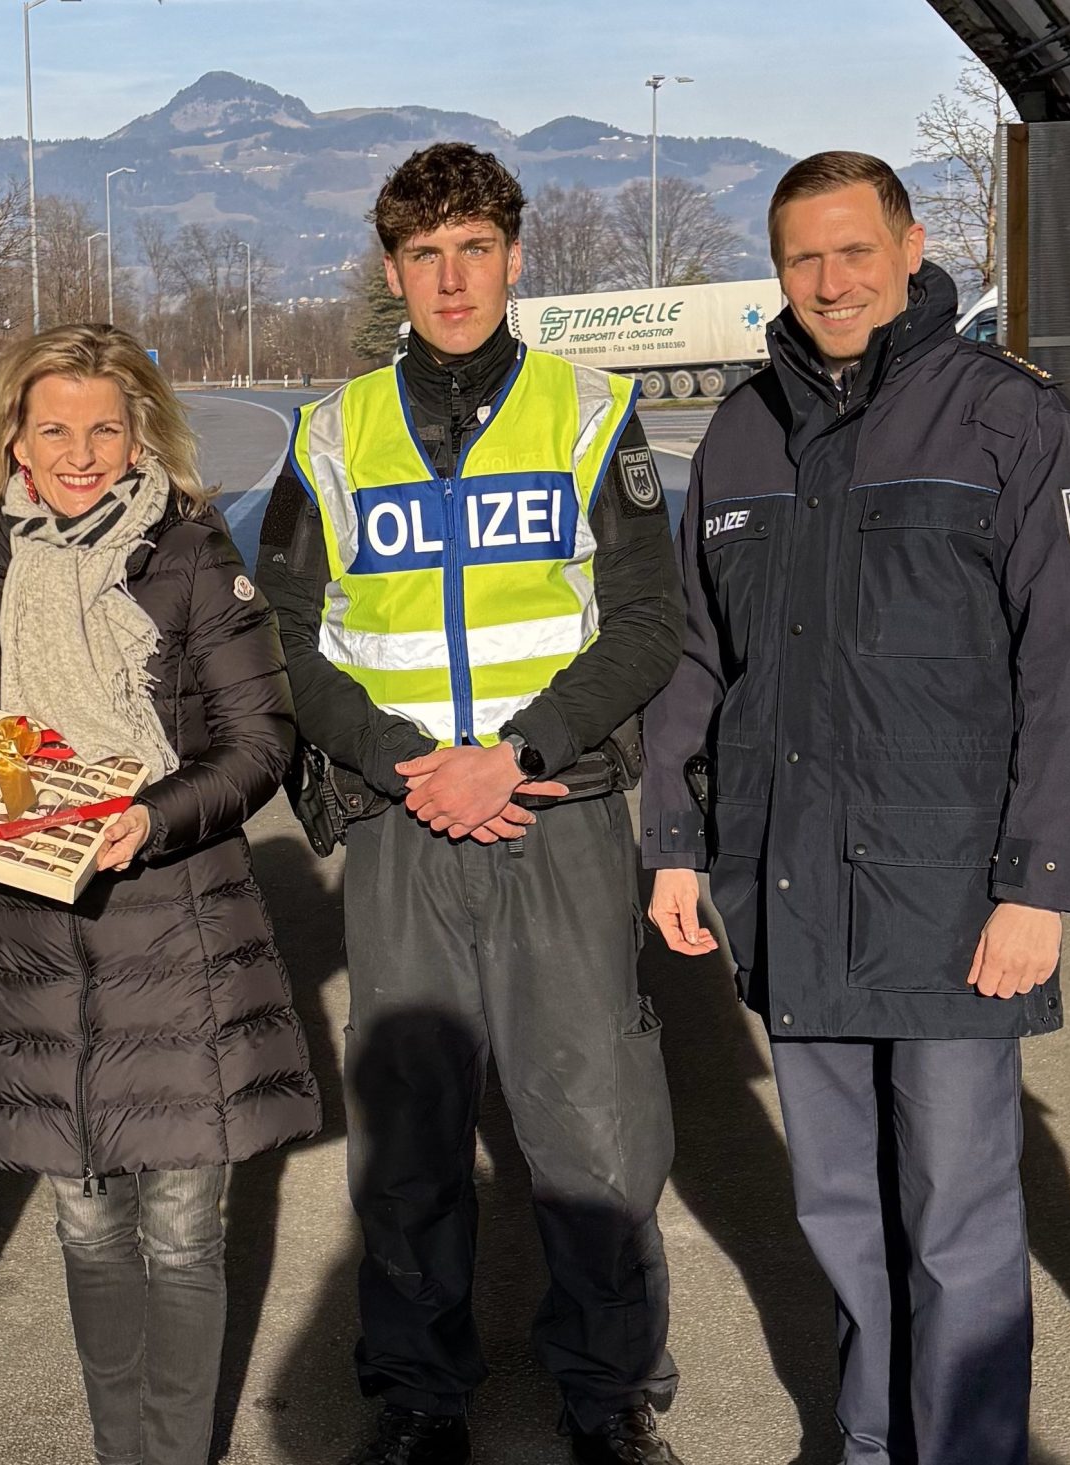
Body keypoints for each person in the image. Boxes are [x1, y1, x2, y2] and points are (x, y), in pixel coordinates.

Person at [640, 151, 1070, 1465]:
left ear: (911, 249)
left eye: (855, 250)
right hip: (792, 887)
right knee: (841, 1212)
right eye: (803, 257)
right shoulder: (743, 433)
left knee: (957, 1221)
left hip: (952, 904)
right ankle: (869, 1441)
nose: (831, 280)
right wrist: (675, 842)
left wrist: (1039, 884)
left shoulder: (1008, 423)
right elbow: (695, 658)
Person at [257, 142, 686, 1465]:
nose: (452, 279)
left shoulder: (589, 413)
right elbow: (284, 643)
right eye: (425, 255)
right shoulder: (331, 434)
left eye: (475, 250)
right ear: (392, 271)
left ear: (514, 256)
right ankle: (418, 1396)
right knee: (409, 1127)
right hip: (402, 823)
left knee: (594, 1122)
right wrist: (400, 763)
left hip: (553, 804)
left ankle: (609, 1399)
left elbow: (649, 622)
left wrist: (517, 750)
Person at [0, 322, 322, 1465]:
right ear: (15, 438)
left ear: (141, 434)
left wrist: (150, 817)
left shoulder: (191, 553)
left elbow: (260, 742)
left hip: (180, 920)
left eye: (104, 429)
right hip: (42, 927)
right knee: (86, 1222)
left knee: (180, 1231)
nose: (79, 453)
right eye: (53, 428)